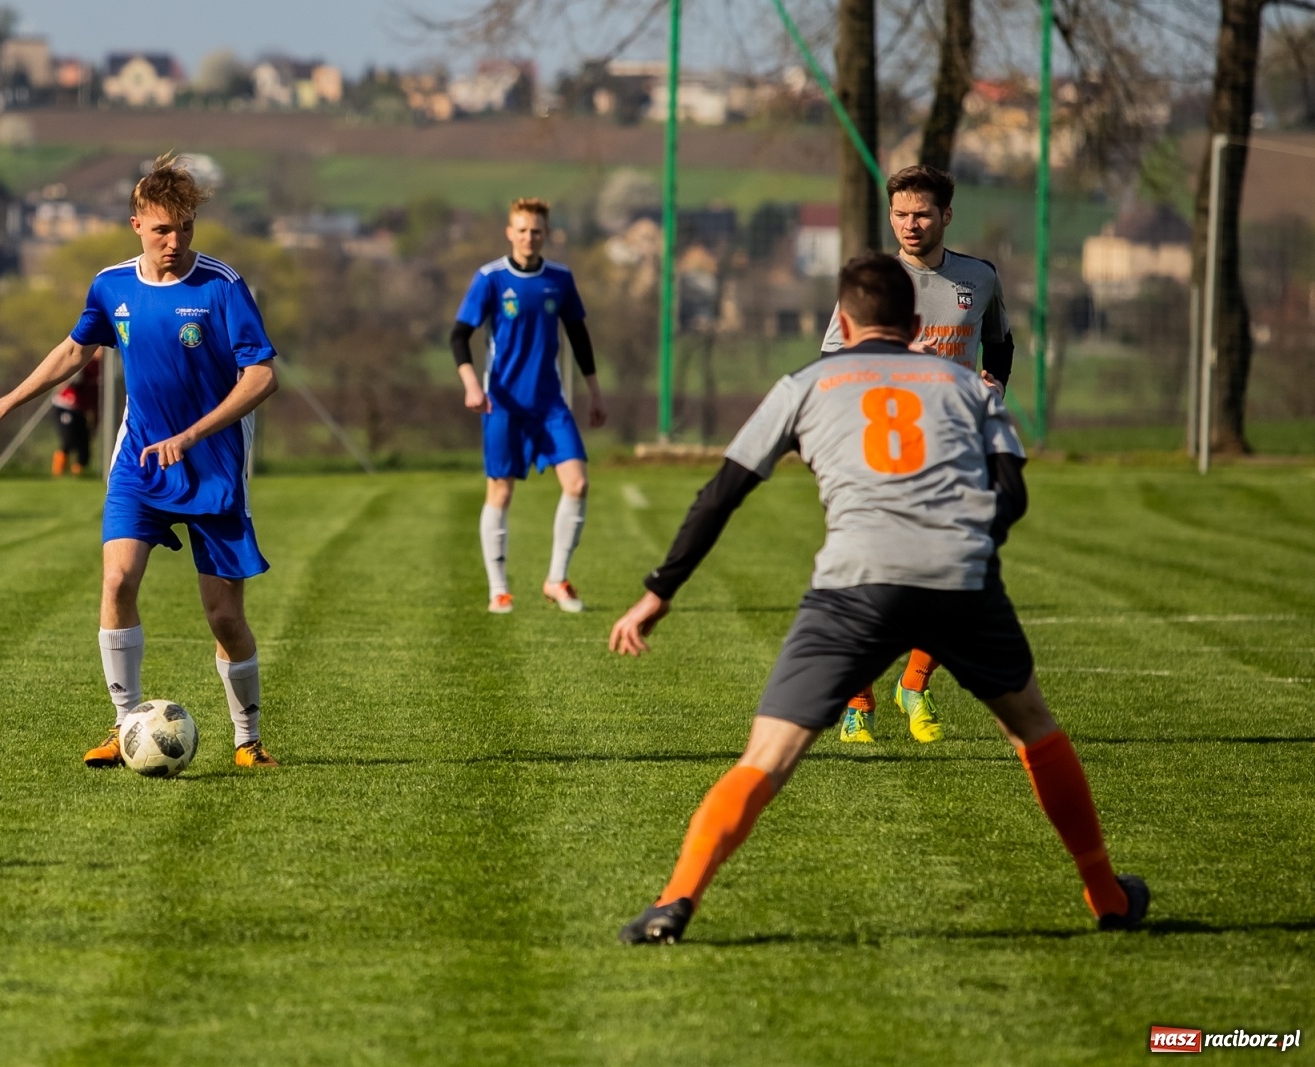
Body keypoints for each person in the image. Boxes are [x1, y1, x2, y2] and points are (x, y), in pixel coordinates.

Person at [610, 253, 1147, 945]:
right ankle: (1106, 894)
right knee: (1033, 727)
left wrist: (659, 591)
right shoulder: (967, 386)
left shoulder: (805, 382)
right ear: (917, 320)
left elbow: (721, 492)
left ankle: (674, 902)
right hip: (960, 578)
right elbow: (1011, 493)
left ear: (843, 320)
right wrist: (963, 546)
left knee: (766, 756)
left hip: (854, 583)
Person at [0, 154, 282, 769]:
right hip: (139, 460)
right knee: (116, 582)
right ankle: (124, 725)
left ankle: (247, 740)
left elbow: (263, 377)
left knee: (223, 616)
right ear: (136, 224)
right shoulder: (112, 286)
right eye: (163, 229)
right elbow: (73, 350)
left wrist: (190, 436)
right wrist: (4, 403)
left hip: (213, 463)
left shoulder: (222, 287)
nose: (176, 241)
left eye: (186, 228)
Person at [820, 164, 1017, 745]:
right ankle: (858, 703)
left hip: (953, 449)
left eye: (922, 213)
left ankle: (913, 683)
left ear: (946, 216)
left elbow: (1001, 342)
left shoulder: (979, 278)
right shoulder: (870, 284)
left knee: (952, 577)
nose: (910, 224)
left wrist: (994, 386)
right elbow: (833, 359)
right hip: (878, 451)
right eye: (901, 214)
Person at [451, 197, 607, 614]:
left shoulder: (560, 278)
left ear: (546, 233)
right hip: (502, 404)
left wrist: (594, 392)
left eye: (536, 230)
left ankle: (557, 580)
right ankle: (498, 589)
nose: (528, 237)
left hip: (550, 405)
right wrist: (471, 384)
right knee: (500, 493)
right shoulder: (490, 278)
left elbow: (579, 337)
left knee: (578, 483)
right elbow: (458, 336)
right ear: (509, 232)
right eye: (521, 229)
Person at [50, 353, 101, 476]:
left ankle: (80, 474)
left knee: (84, 444)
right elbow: (69, 379)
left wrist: (95, 418)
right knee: (68, 439)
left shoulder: (102, 368)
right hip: (66, 406)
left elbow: (95, 398)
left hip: (81, 410)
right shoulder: (85, 362)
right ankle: (58, 472)